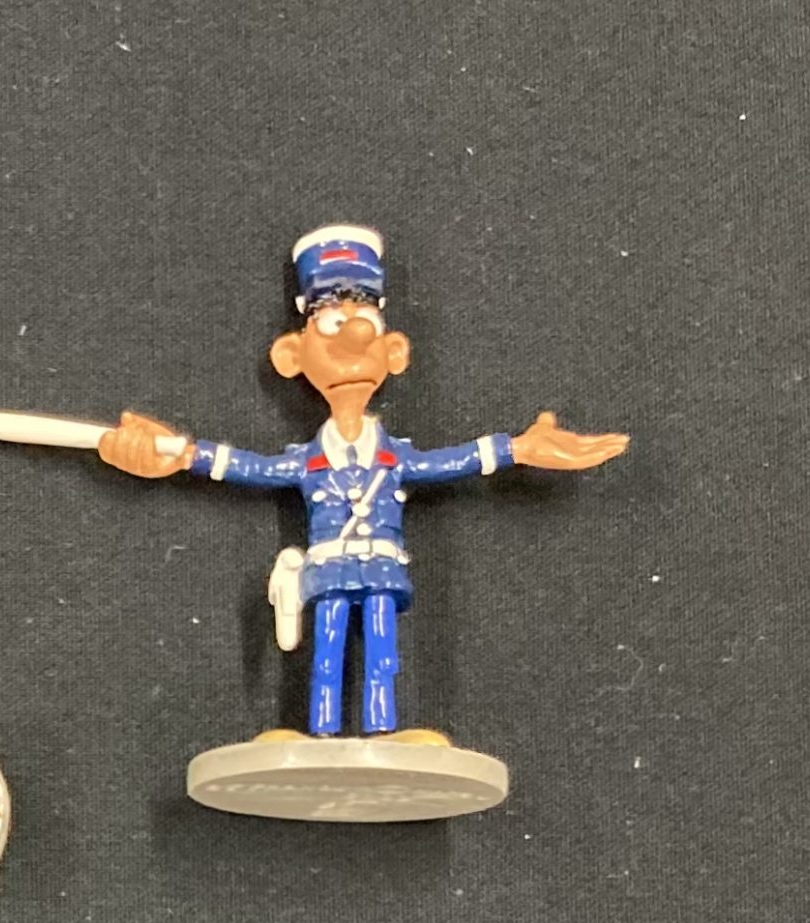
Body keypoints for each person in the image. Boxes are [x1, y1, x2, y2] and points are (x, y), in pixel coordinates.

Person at [95, 225, 628, 740]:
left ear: (394, 350)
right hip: (329, 568)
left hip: (381, 567)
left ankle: (381, 731)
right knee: (326, 651)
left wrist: (518, 449)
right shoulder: (308, 462)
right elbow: (253, 467)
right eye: (332, 326)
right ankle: (323, 734)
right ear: (291, 355)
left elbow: (451, 461)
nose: (353, 340)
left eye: (365, 324)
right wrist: (183, 454)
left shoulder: (394, 458)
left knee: (381, 650)